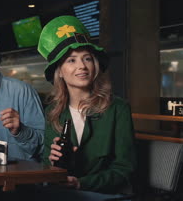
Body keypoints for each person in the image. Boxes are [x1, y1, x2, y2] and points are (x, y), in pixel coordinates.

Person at [37, 15, 136, 199]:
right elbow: (46, 166)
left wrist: (81, 183)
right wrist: (52, 163)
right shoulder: (53, 113)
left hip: (106, 194)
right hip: (64, 193)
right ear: (60, 72)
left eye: (87, 58)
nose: (82, 66)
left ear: (95, 65)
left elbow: (124, 169)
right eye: (71, 60)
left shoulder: (118, 109)